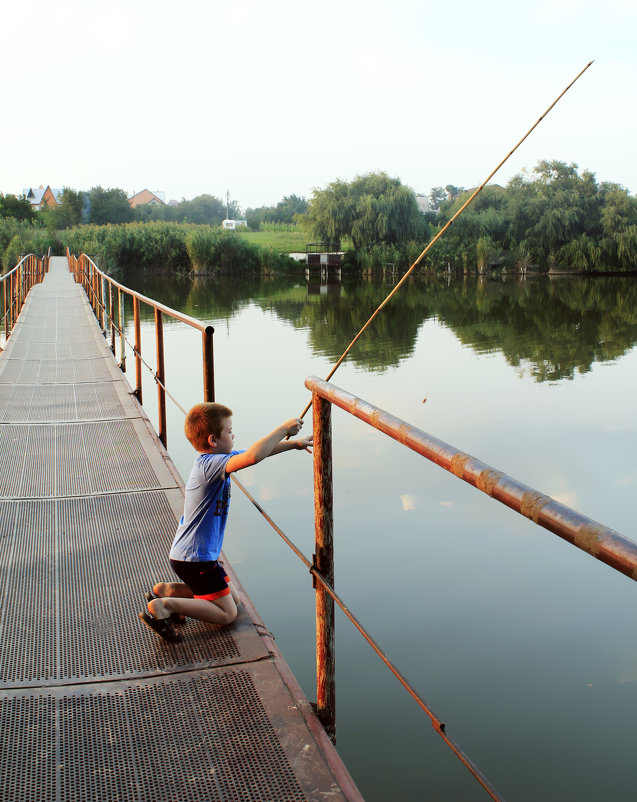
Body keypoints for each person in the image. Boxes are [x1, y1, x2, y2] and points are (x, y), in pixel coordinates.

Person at [139, 402, 312, 642]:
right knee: (228, 613)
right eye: (229, 431)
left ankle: (166, 591)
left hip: (194, 556)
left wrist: (293, 443)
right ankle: (165, 607)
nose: (233, 435)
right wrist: (283, 428)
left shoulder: (216, 460)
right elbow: (253, 456)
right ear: (213, 440)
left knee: (236, 600)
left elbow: (257, 452)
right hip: (196, 559)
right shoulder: (212, 466)